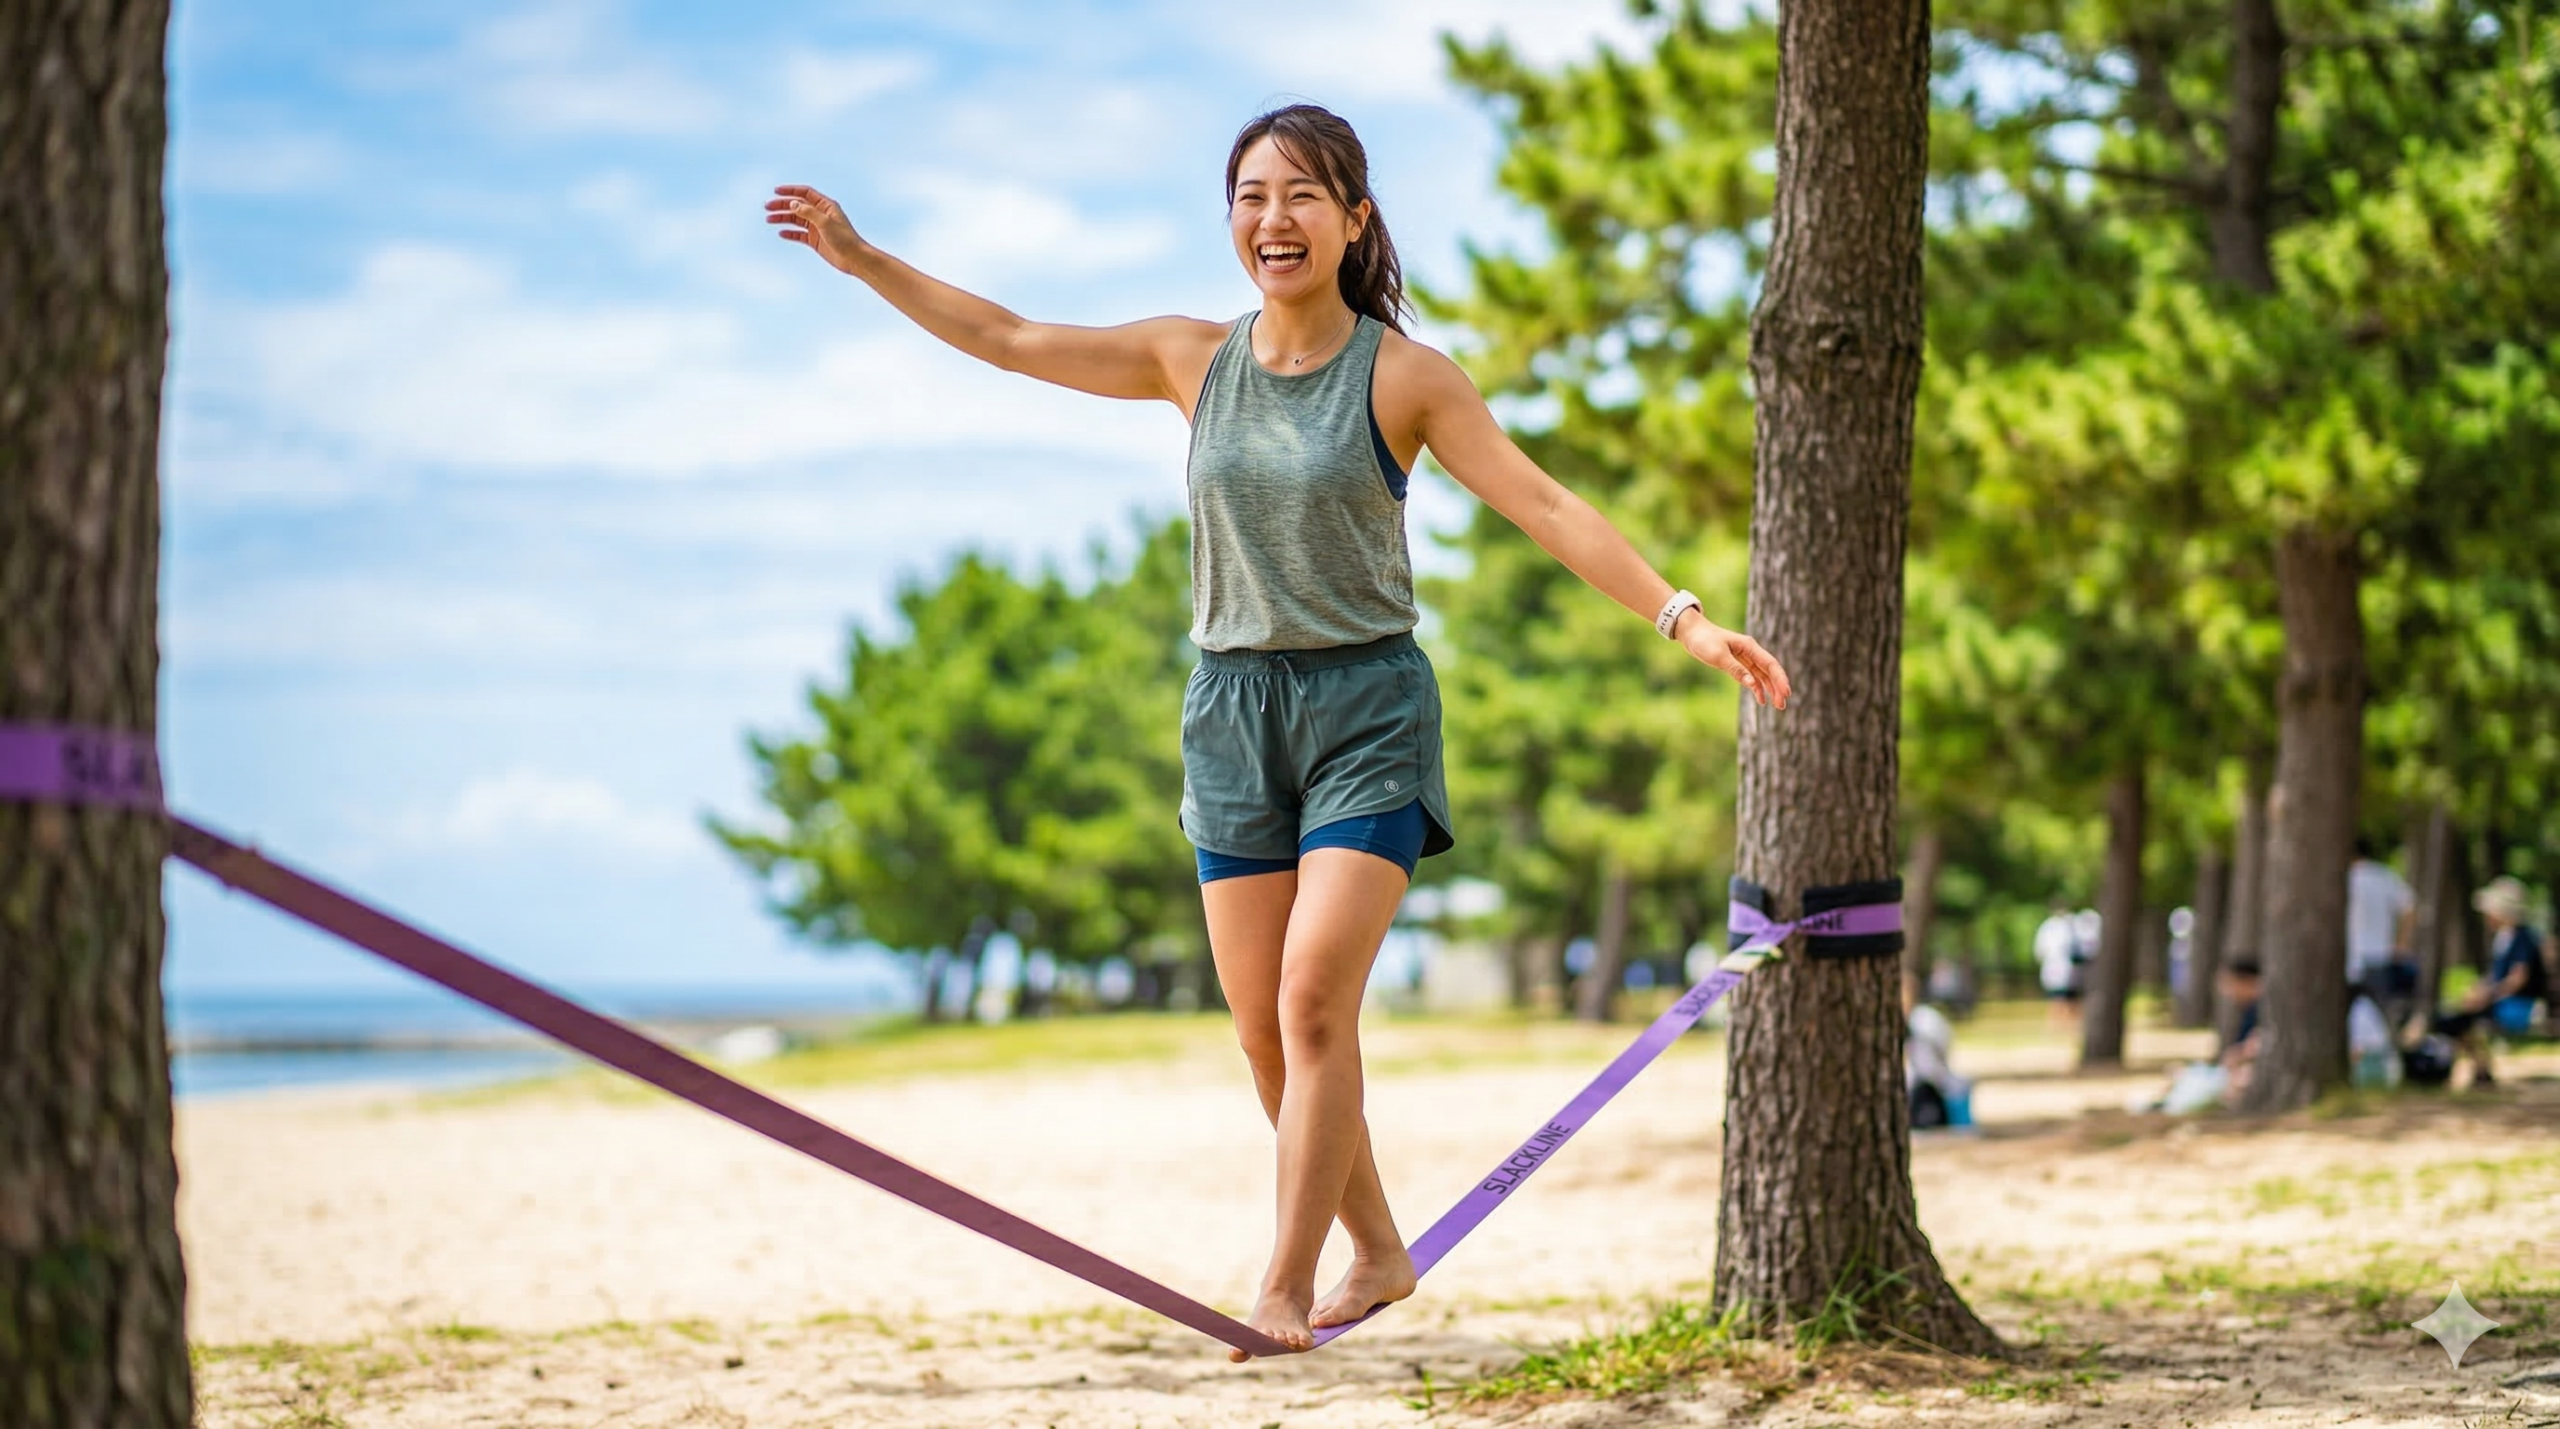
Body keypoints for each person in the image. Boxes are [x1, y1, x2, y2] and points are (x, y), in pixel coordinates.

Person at [766, 105, 1790, 1358]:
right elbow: (1009, 337)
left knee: (1314, 1002)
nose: (1274, 218)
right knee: (1265, 1032)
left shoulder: (1405, 374)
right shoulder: (1189, 358)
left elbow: (1538, 500)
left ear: (1354, 218)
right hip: (1230, 714)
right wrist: (867, 260)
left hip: (1366, 709)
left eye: (1303, 195)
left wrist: (1681, 617)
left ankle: (1282, 1287)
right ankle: (1377, 1249)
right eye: (1252, 195)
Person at [2431, 876, 2549, 1089]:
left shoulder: (2523, 937)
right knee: (2454, 1019)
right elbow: (2496, 976)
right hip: (2504, 1001)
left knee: (2456, 1021)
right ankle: (2481, 1069)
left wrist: (2488, 996)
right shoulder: (2504, 937)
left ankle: (2481, 1069)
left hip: (2518, 1005)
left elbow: (2517, 978)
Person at [2345, 837, 2415, 994]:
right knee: (2377, 1012)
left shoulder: (2344, 878)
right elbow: (2409, 907)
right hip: (2379, 955)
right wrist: (2402, 943)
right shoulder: (2384, 876)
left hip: (2350, 958)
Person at [2034, 900, 2082, 1030]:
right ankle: (2057, 1023)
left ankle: (2072, 1023)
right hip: (2055, 965)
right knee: (2056, 996)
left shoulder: (2071, 925)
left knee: (2070, 996)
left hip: (2067, 965)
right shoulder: (2049, 926)